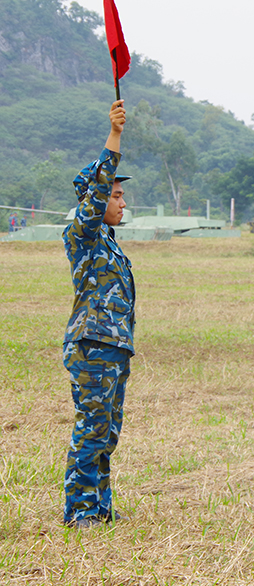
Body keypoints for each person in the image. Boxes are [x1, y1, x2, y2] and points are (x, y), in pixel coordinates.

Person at [62, 100, 134, 528]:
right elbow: (96, 191)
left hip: (113, 348)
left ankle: (100, 506)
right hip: (92, 346)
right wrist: (115, 137)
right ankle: (80, 511)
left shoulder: (108, 242)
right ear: (95, 197)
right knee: (91, 430)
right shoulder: (83, 233)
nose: (122, 201)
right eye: (116, 194)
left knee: (106, 432)